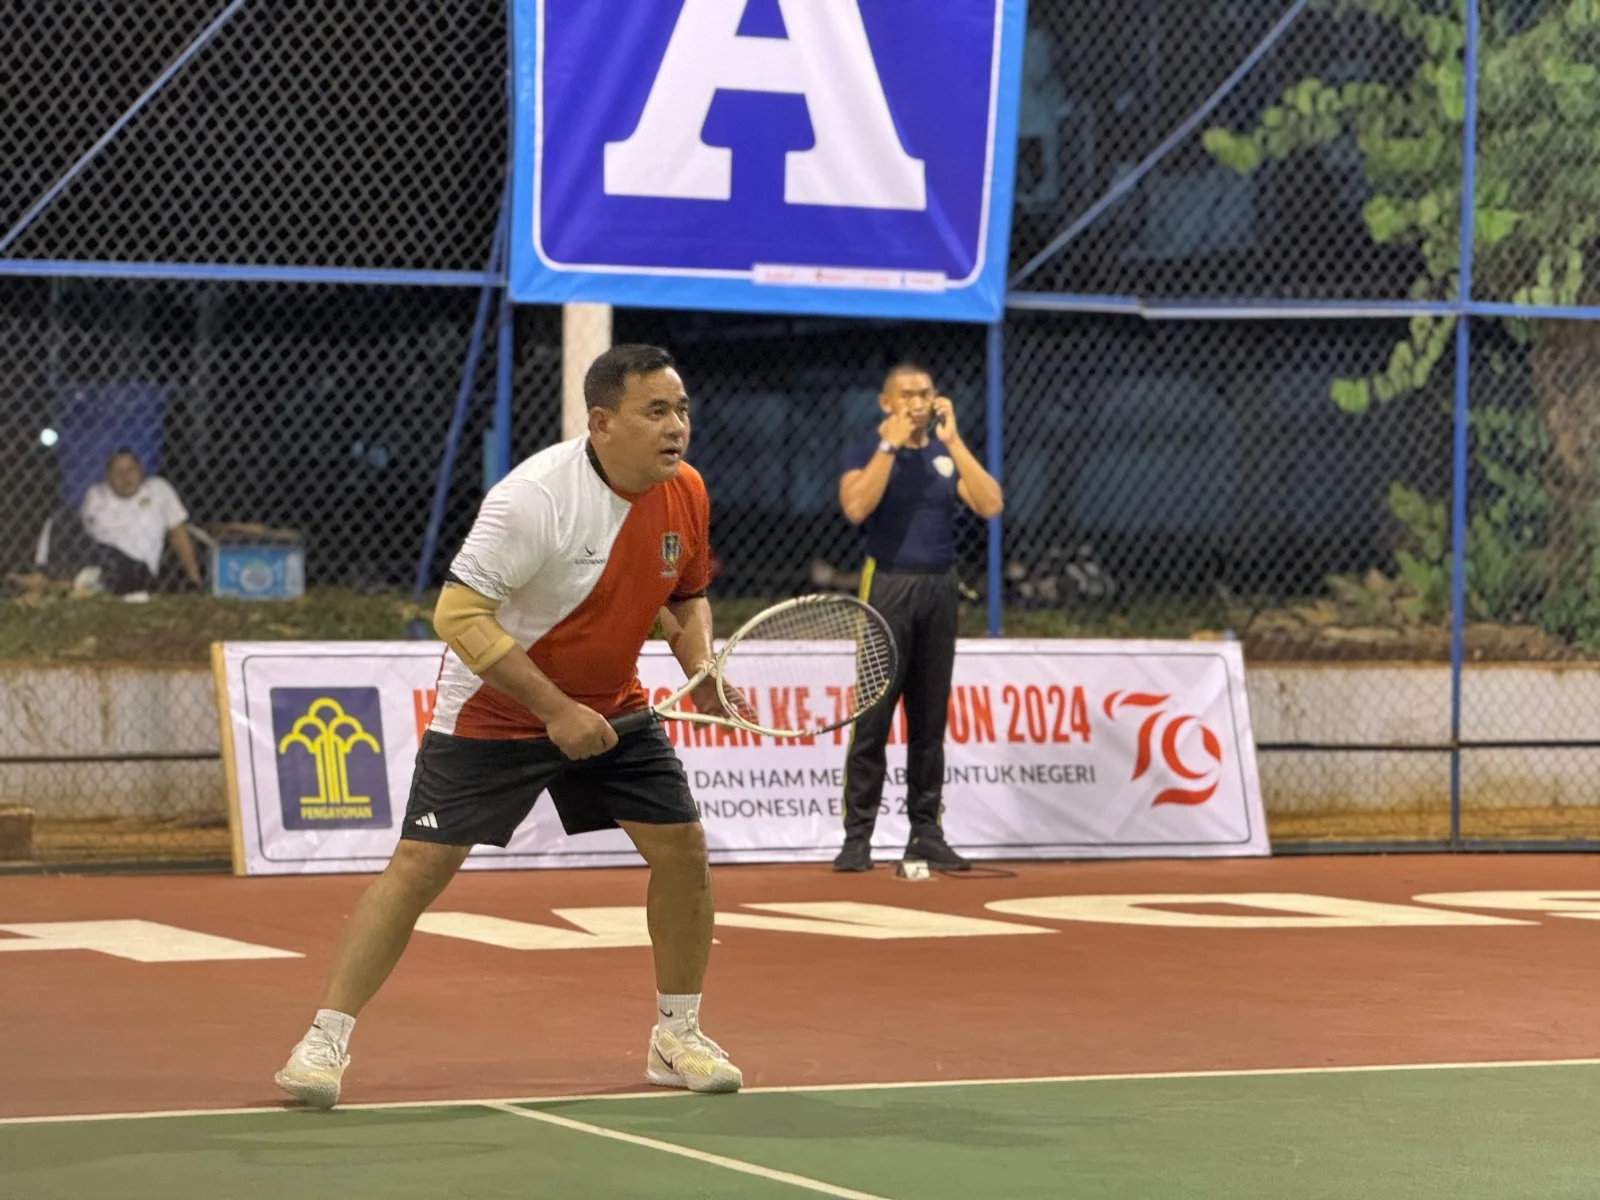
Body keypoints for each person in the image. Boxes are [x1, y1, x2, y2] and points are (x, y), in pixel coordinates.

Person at [274, 344, 745, 1109]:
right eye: (656, 411)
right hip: (495, 710)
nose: (677, 427)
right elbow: (457, 615)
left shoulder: (684, 490)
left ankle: (676, 1034)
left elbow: (684, 595)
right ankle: (323, 1040)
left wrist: (702, 668)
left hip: (612, 705)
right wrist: (555, 711)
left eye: (682, 410)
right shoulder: (535, 499)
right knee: (419, 869)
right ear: (602, 422)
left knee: (683, 850)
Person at [834, 363, 1004, 873]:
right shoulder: (866, 448)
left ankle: (926, 832)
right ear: (887, 402)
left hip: (940, 588)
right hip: (888, 583)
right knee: (873, 716)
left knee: (930, 719)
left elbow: (990, 503)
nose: (917, 402)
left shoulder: (943, 453)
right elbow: (856, 507)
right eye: (907, 394)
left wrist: (954, 442)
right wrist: (889, 446)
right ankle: (858, 837)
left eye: (925, 393)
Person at [34, 448, 202, 598]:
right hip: (98, 559)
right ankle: (45, 575)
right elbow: (81, 538)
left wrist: (194, 580)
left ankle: (67, 585)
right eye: (118, 471)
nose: (125, 477)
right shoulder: (96, 495)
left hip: (137, 570)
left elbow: (179, 535)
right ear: (108, 476)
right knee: (62, 518)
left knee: (115, 563)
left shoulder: (158, 490)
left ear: (140, 471)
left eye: (130, 469)